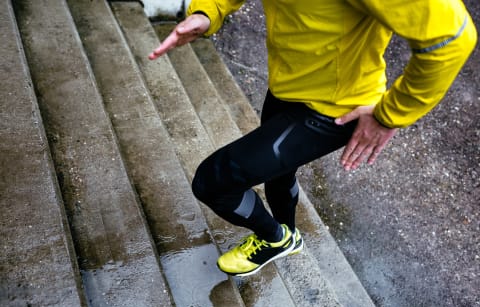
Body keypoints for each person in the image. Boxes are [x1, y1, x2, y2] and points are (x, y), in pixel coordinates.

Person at [149, 0, 477, 277]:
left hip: (333, 111)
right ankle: (287, 232)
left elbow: (452, 39)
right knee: (279, 171)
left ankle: (276, 239)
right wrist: (210, 11)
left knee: (212, 181)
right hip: (288, 87)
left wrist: (389, 115)